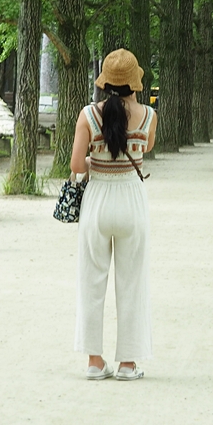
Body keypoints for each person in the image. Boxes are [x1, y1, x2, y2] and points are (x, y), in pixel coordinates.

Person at [70, 48, 158, 381]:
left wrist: (96, 160)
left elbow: (77, 165)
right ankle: (128, 363)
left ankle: (95, 361)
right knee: (132, 282)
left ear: (105, 83)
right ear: (134, 82)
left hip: (97, 199)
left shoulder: (88, 115)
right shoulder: (149, 116)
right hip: (131, 199)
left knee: (91, 280)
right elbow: (145, 147)